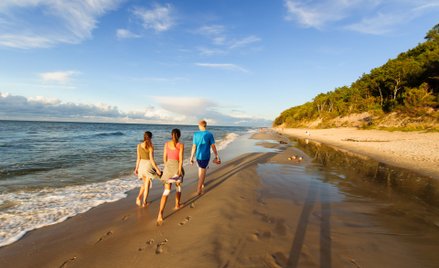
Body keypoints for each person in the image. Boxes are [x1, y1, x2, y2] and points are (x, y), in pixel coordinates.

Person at [157, 128, 185, 225]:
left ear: (171, 135)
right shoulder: (181, 145)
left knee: (167, 191)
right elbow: (181, 160)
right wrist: (179, 171)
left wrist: (167, 167)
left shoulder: (166, 144)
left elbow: (164, 158)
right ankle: (177, 204)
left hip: (168, 168)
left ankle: (160, 214)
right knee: (178, 187)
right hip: (177, 167)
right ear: (179, 135)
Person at [190, 120, 220, 195]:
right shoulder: (209, 134)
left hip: (198, 156)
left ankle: (201, 184)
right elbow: (213, 146)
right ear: (205, 125)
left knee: (200, 169)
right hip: (205, 156)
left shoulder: (196, 134)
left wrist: (191, 157)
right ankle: (199, 190)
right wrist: (216, 155)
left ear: (200, 126)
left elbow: (194, 146)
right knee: (203, 172)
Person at [134, 131, 161, 207]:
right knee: (147, 185)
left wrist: (136, 168)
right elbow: (152, 160)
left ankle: (139, 197)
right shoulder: (151, 146)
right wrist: (157, 169)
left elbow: (138, 158)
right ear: (151, 137)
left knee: (145, 183)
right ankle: (144, 202)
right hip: (148, 166)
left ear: (144, 137)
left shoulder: (139, 145)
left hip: (141, 166)